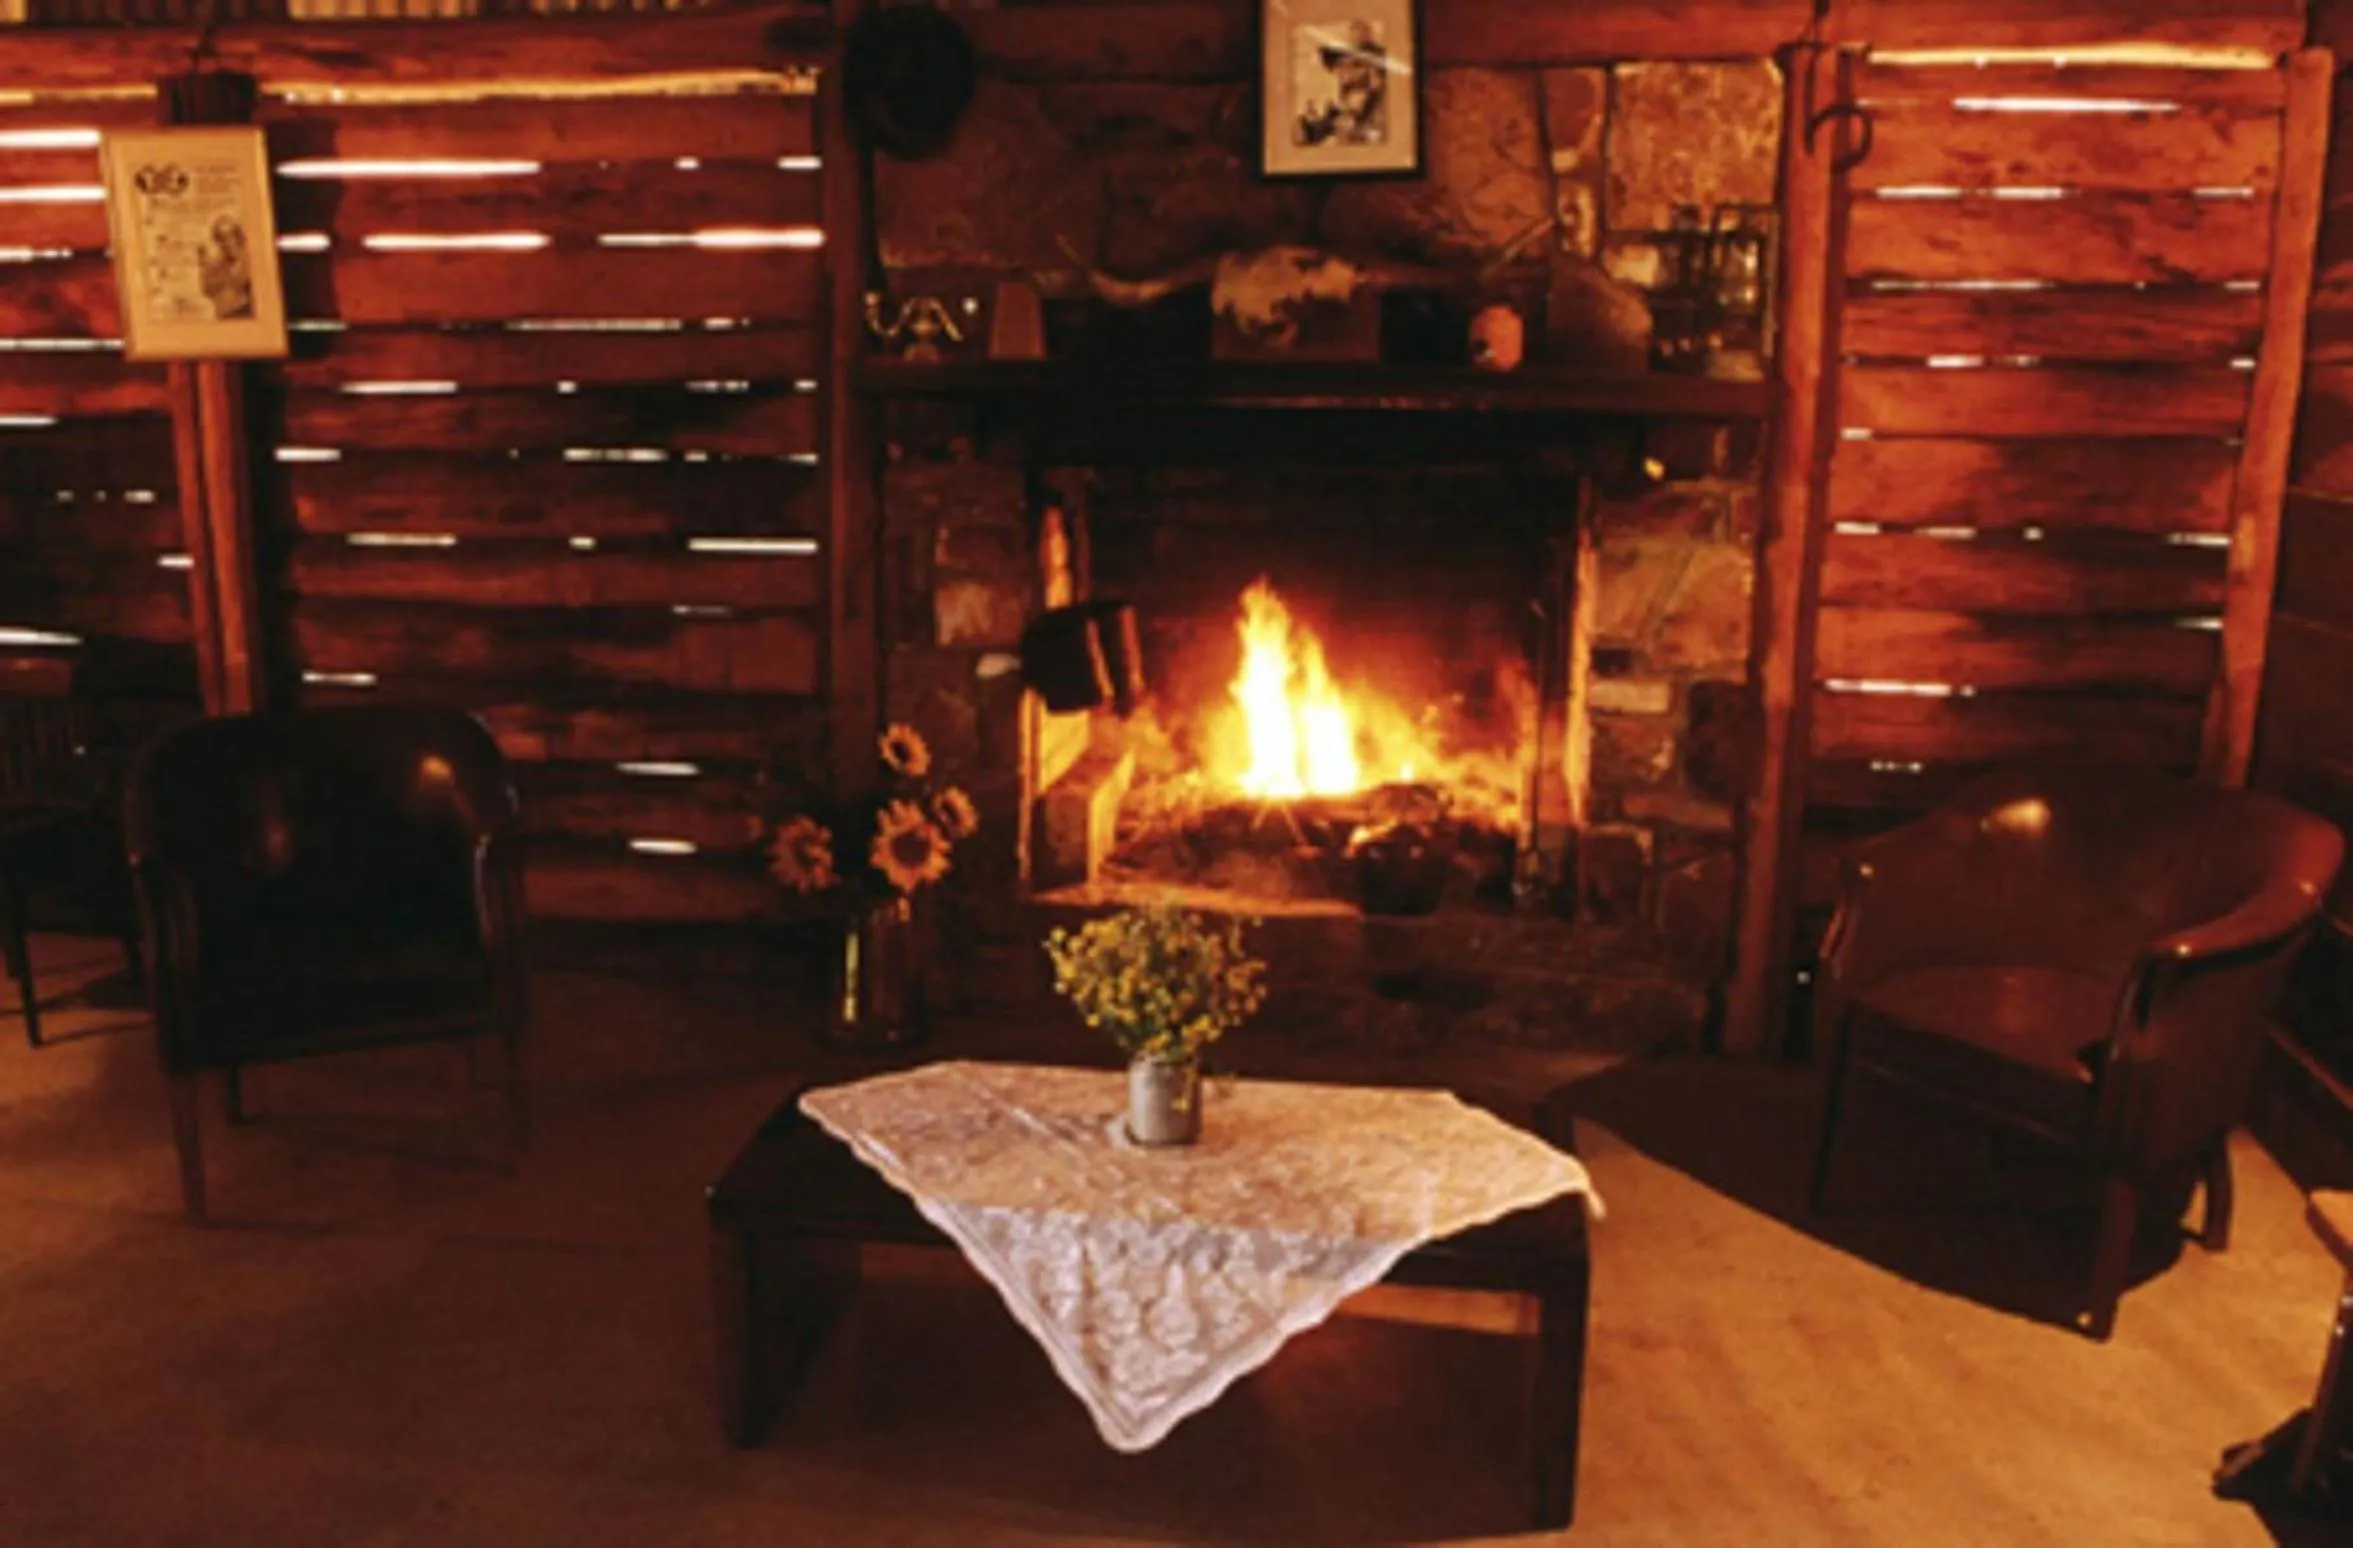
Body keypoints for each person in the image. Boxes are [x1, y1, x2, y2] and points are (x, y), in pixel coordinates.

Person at [1294, 21, 1388, 148]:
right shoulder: (1346, 89)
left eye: (1355, 65)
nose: (1343, 72)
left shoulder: (1373, 87)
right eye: (1339, 66)